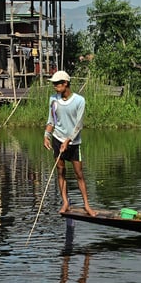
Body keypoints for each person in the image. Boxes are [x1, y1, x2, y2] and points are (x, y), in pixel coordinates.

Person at [43, 70, 96, 216]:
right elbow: (51, 119)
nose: (54, 86)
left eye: (57, 83)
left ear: (65, 83)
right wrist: (46, 135)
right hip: (57, 138)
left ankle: (86, 205)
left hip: (73, 142)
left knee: (79, 173)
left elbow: (78, 125)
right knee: (60, 171)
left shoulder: (79, 101)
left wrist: (68, 141)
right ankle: (65, 202)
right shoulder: (53, 99)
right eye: (53, 84)